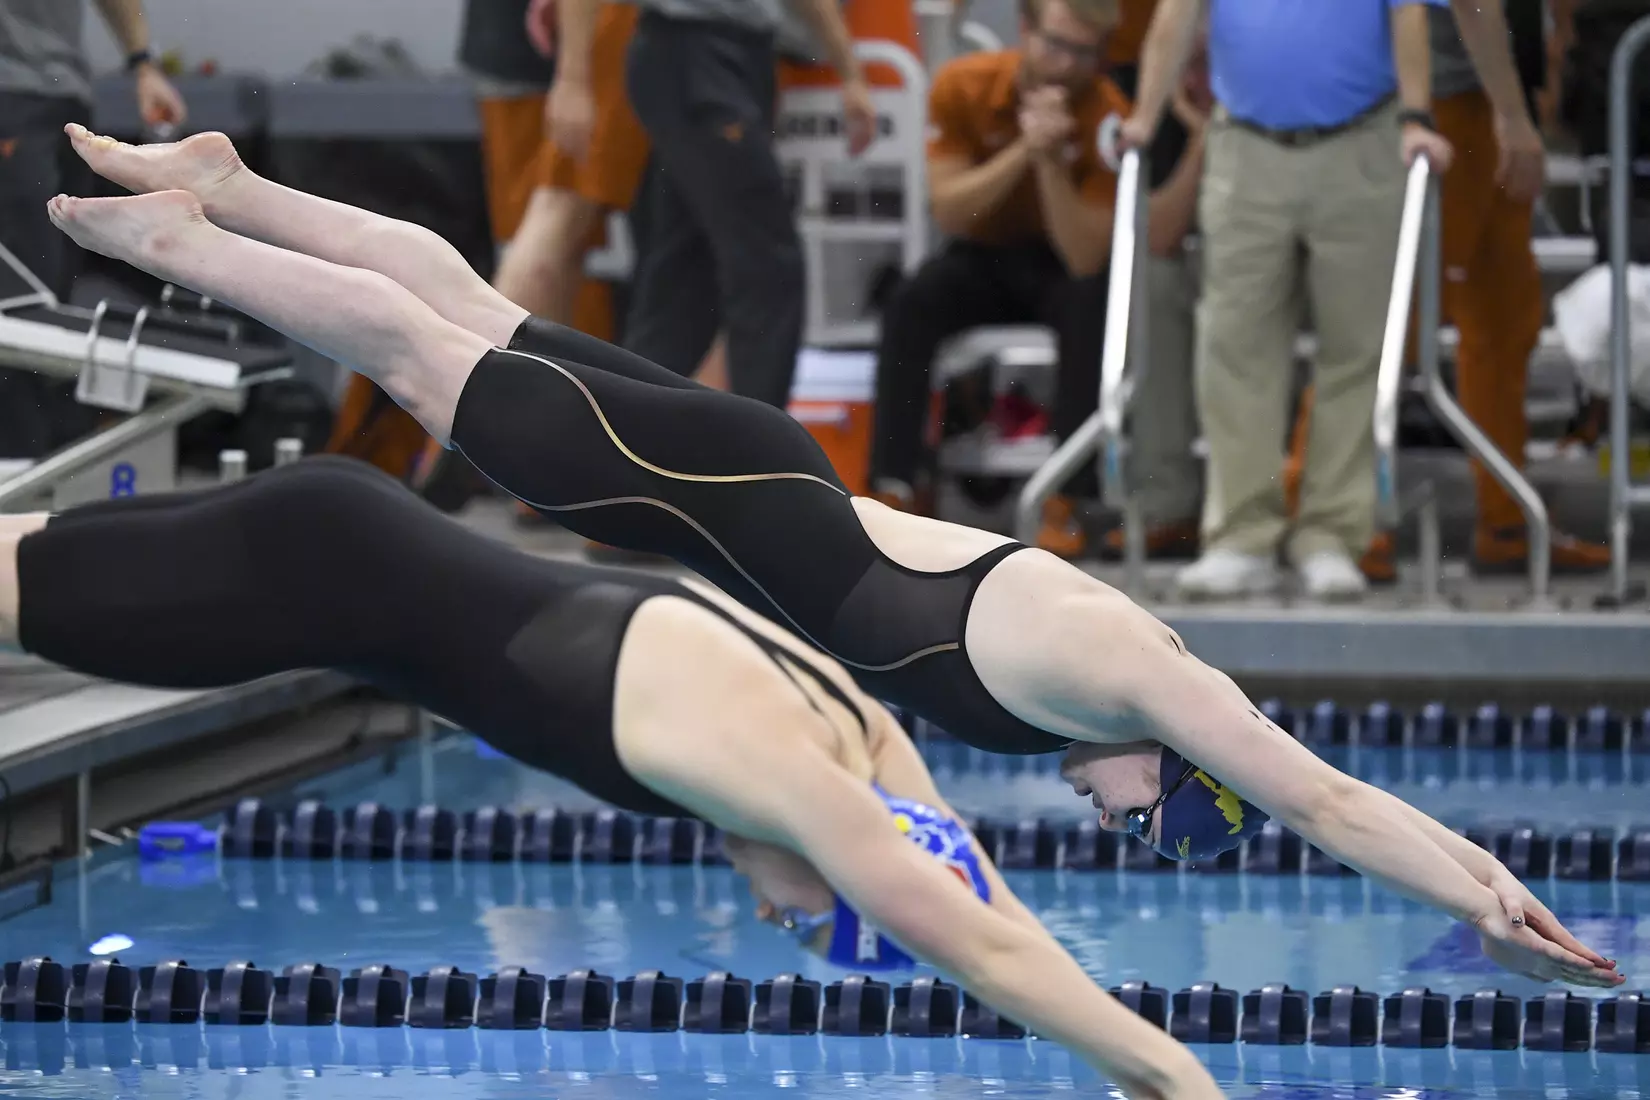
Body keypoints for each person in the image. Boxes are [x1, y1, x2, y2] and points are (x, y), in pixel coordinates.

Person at [48, 128, 1625, 991]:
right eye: (1157, 824)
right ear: (1181, 770)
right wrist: (1484, 906)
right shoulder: (1133, 674)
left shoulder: (1095, 688)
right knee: (418, 352)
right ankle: (182, 244)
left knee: (471, 310)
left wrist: (1505, 889)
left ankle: (229, 183)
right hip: (703, 491)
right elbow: (1326, 796)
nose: (1118, 821)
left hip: (746, 479)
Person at [0, 456, 1222, 1100]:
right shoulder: (784, 774)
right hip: (301, 574)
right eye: (808, 919)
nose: (768, 917)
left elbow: (986, 900)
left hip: (335, 542)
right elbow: (978, 946)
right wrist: (1169, 1071)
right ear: (847, 869)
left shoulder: (850, 723)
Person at [1121, 0, 1453, 602]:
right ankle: (1240, 536)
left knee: (1357, 351)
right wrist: (1143, 118)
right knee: (1233, 343)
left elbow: (1408, 14)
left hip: (1363, 140)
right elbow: (1175, 15)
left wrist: (1415, 114)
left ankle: (1332, 534)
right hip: (1245, 145)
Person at [868, 0, 1204, 558]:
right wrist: (1026, 147)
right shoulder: (964, 86)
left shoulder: (1109, 114)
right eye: (1055, 44)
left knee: (1090, 301)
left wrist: (1050, 163)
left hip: (1057, 265)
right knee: (911, 300)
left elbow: (1082, 256)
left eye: (1084, 53)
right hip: (982, 253)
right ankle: (896, 485)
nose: (1066, 64)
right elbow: (950, 210)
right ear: (1025, 30)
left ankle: (1066, 497)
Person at [1351, 0, 1610, 582]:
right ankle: (1346, 522)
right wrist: (1513, 112)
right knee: (1391, 324)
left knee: (1502, 320)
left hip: (1476, 98)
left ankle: (1505, 519)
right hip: (1446, 106)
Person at [554, 0, 872, 409]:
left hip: (738, 57)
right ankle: (764, 455)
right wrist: (572, 78)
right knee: (768, 267)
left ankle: (622, 436)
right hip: (691, 57)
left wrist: (850, 71)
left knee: (685, 278)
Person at [0, 0, 185, 459]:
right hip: (19, 97)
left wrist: (144, 64)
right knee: (23, 299)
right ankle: (28, 467)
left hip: (54, 98)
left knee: (40, 298)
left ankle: (39, 468)